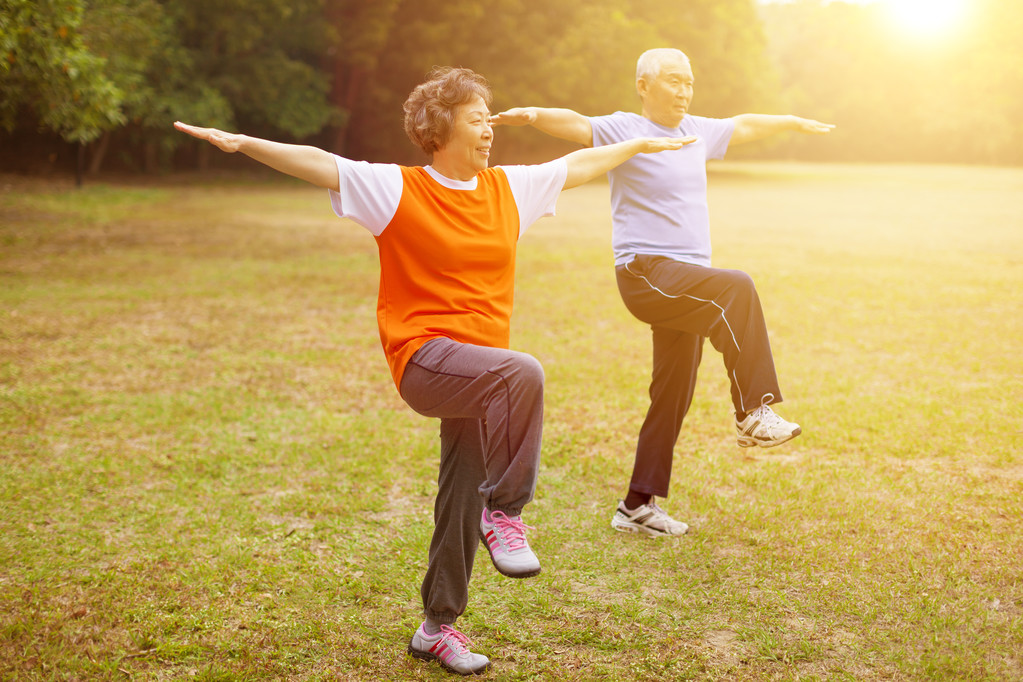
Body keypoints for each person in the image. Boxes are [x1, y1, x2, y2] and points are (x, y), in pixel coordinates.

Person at [175, 67, 693, 675]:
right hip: (424, 359)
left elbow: (581, 166)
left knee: (457, 492)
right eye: (477, 119)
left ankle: (437, 627)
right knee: (521, 373)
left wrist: (639, 143)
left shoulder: (509, 190)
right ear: (442, 127)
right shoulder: (394, 189)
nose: (488, 130)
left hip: (480, 375)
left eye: (488, 118)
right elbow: (317, 161)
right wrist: (241, 143)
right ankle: (505, 512)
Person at [491, 48, 834, 538]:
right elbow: (575, 124)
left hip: (687, 284)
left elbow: (745, 125)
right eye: (674, 82)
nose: (684, 91)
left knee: (673, 392)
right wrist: (534, 115)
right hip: (646, 271)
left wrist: (790, 121)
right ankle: (753, 411)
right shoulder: (625, 129)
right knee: (736, 288)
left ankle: (636, 506)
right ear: (644, 84)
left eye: (689, 83)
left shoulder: (697, 132)